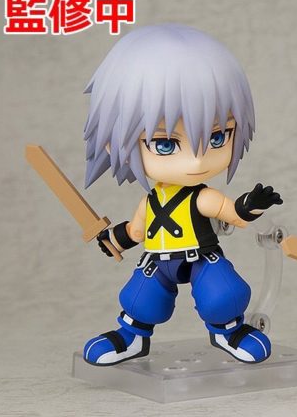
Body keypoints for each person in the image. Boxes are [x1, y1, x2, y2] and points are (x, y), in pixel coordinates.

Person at [82, 25, 282, 366]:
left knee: (223, 295)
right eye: (165, 144)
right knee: (140, 299)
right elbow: (136, 230)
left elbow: (232, 213)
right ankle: (131, 336)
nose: (196, 161)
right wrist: (114, 240)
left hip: (201, 257)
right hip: (158, 261)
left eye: (217, 138)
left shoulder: (201, 198)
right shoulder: (150, 201)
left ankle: (228, 331)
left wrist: (251, 205)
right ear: (115, 144)